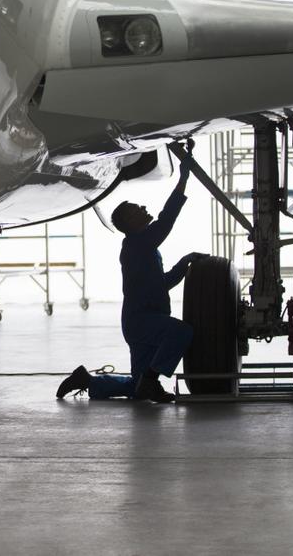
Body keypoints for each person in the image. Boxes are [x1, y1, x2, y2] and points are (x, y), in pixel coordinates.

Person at [57, 145, 206, 404]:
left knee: (136, 387)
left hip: (140, 321)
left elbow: (162, 284)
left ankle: (88, 380)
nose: (143, 208)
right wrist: (183, 179)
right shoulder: (138, 244)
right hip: (143, 321)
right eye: (137, 209)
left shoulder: (142, 247)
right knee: (181, 333)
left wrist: (184, 263)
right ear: (129, 223)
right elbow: (166, 220)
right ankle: (150, 380)